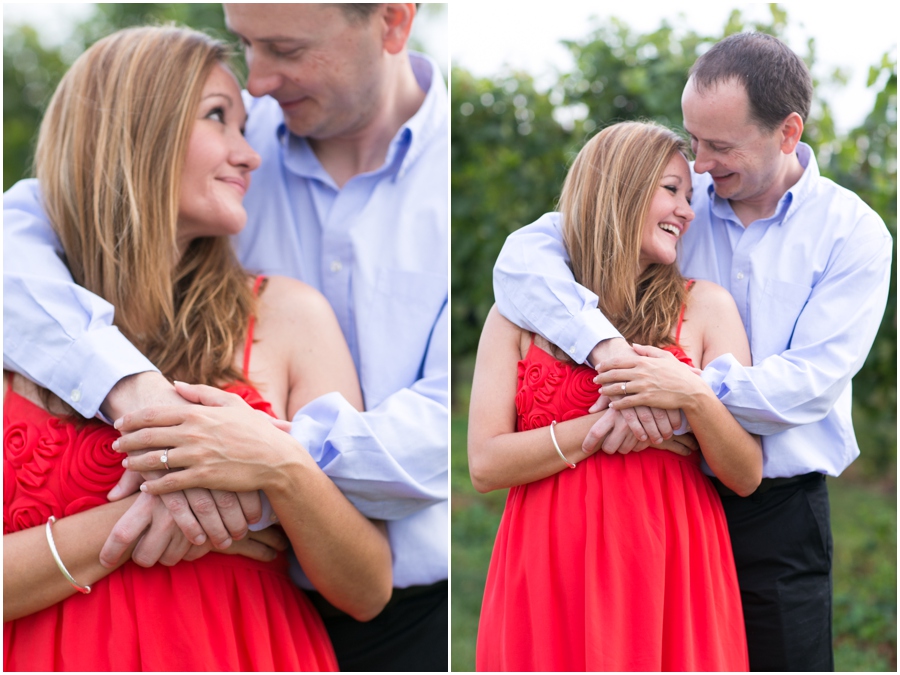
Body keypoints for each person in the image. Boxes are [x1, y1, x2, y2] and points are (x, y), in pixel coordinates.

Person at [3, 4, 448, 671]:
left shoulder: (289, 315)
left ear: (391, 22)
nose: (252, 148)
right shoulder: (24, 304)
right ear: (134, 133)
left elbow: (368, 577)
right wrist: (172, 507)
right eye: (221, 116)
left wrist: (277, 466)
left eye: (284, 48)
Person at [492, 32, 892, 671]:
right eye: (694, 139)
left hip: (774, 511)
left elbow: (809, 381)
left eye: (720, 146)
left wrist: (685, 401)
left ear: (787, 133)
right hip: (654, 504)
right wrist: (609, 355)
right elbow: (523, 259)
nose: (700, 163)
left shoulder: (853, 235)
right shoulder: (674, 197)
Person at [469, 121, 759, 671]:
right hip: (548, 568)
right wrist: (605, 428)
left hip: (668, 566)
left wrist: (693, 400)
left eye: (690, 197)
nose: (687, 211)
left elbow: (745, 472)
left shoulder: (707, 308)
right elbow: (484, 465)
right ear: (620, 190)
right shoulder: (517, 314)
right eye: (672, 190)